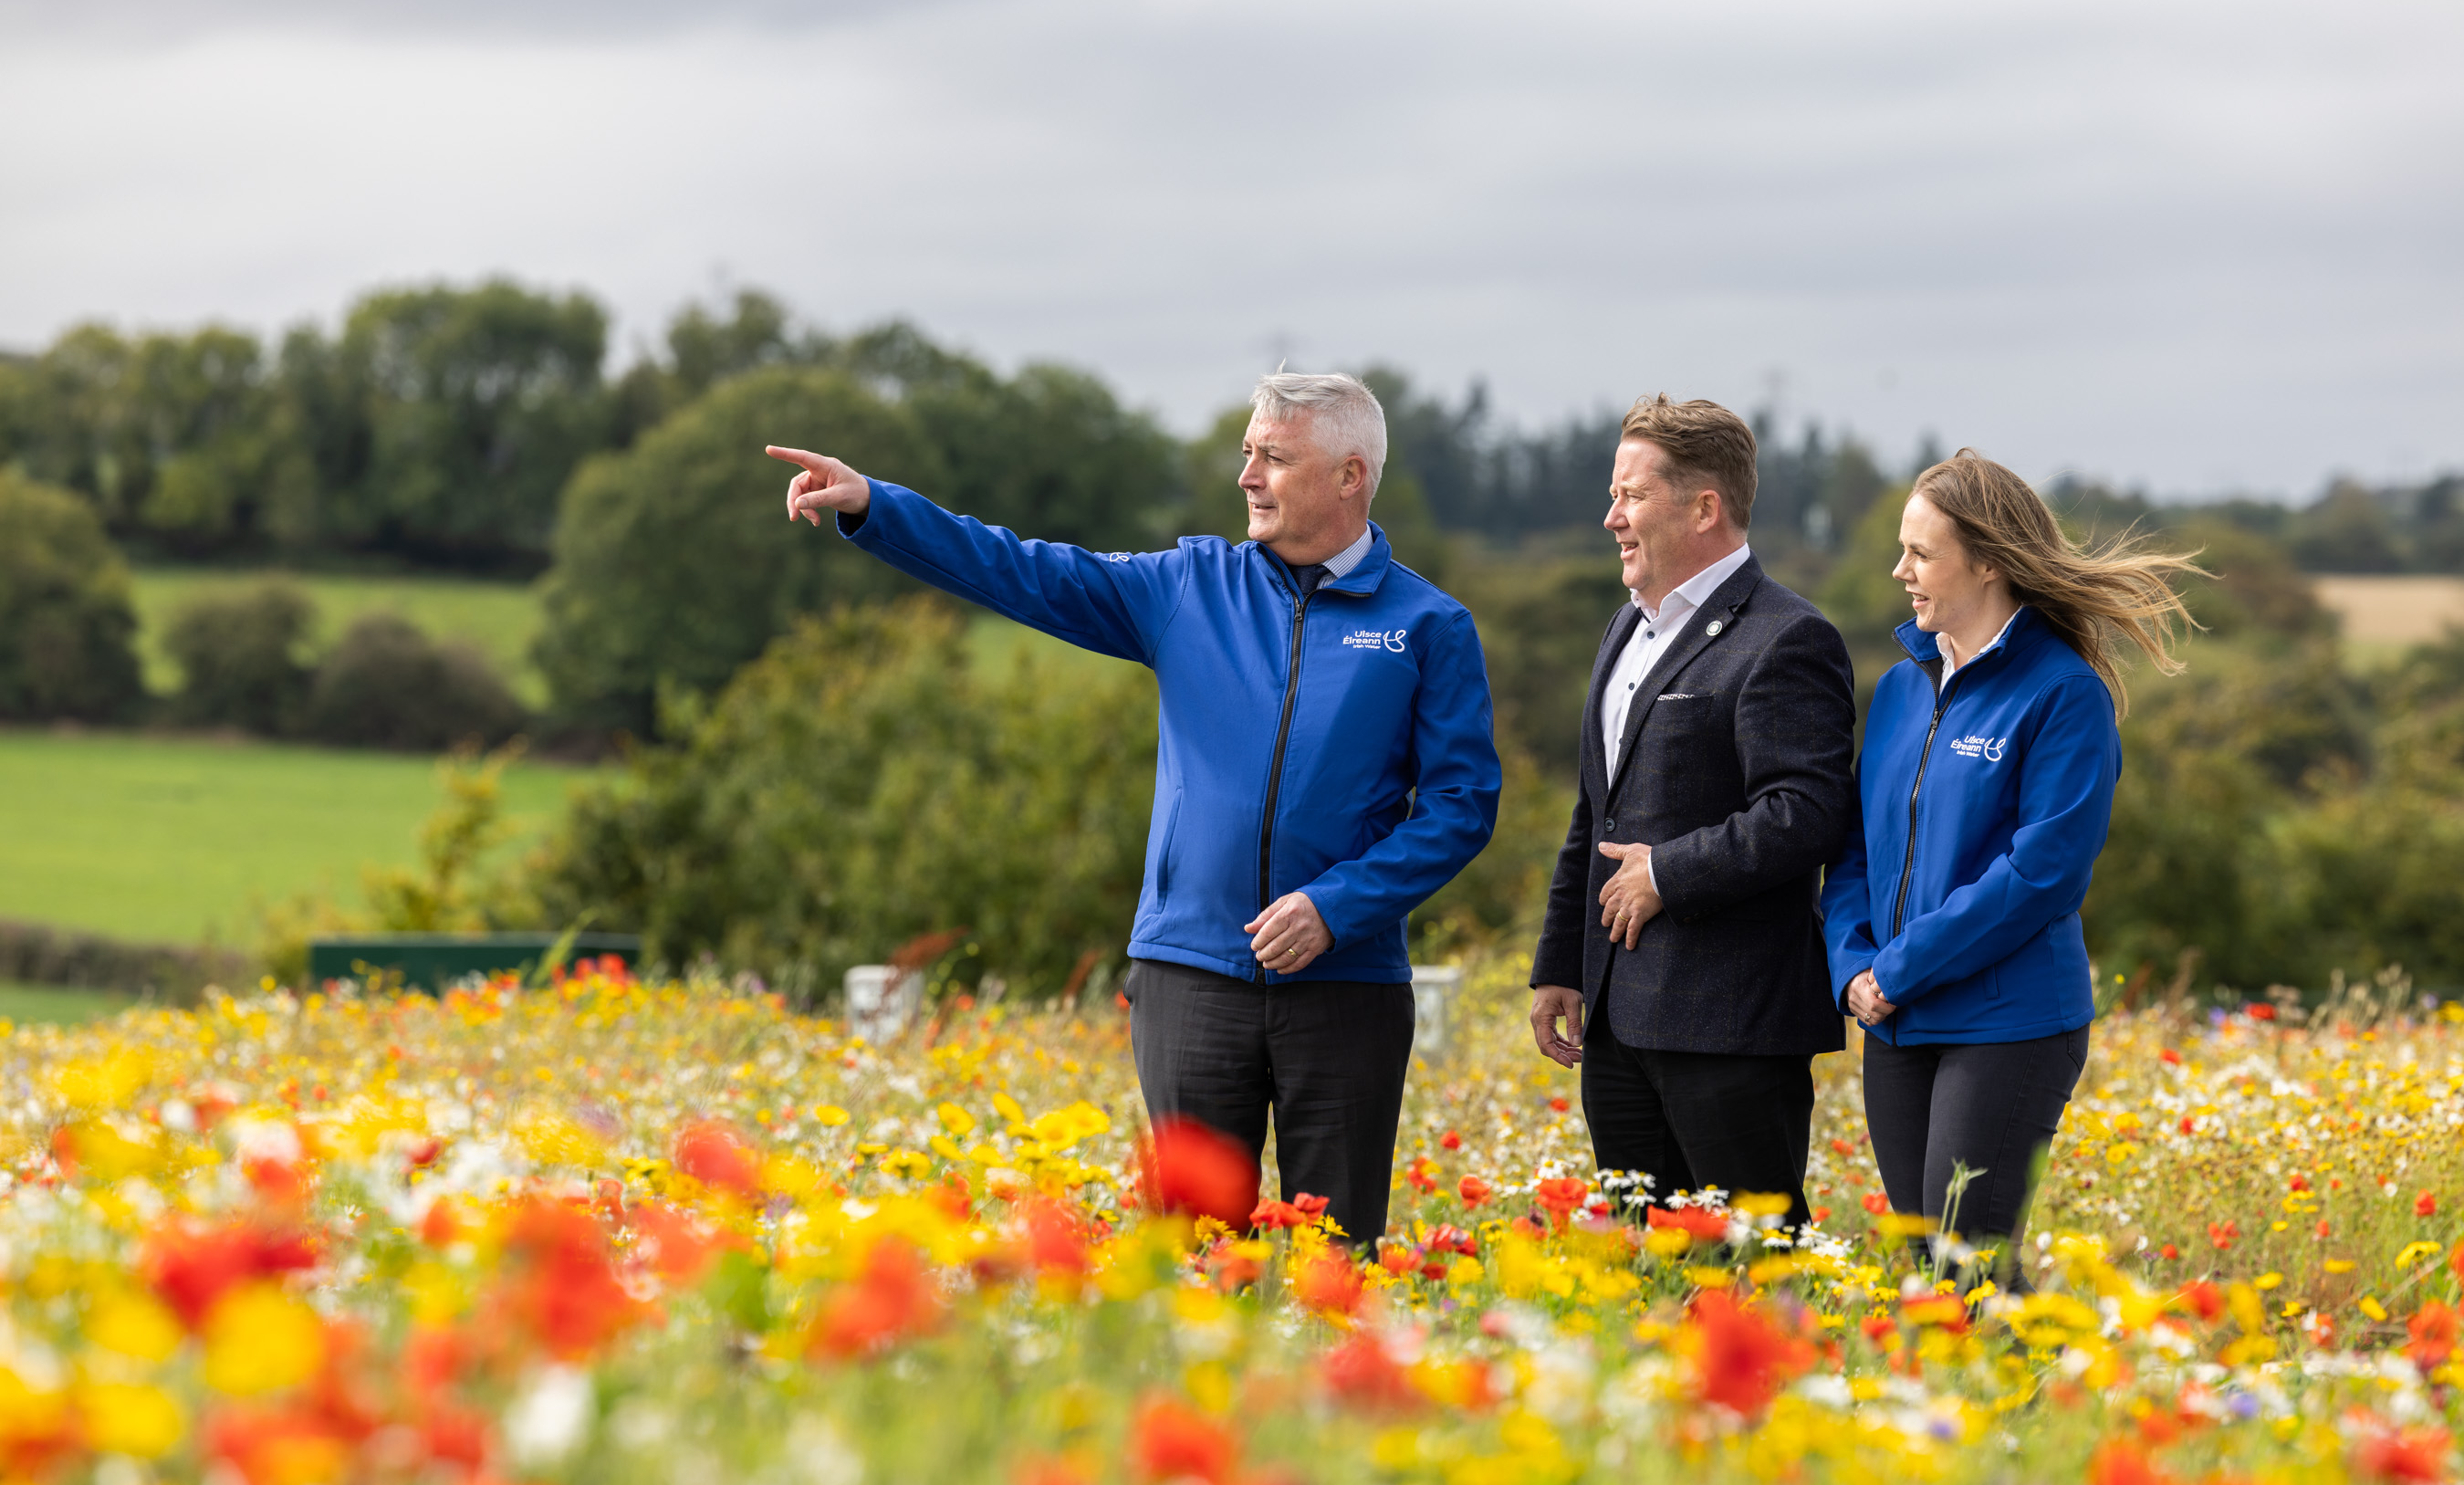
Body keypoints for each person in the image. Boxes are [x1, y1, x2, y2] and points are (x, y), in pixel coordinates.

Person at [768, 371, 1500, 1247]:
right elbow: (1023, 570)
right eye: (1247, 453)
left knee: (1337, 1263)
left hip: (1347, 989)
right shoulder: (1190, 584)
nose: (1247, 476)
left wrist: (1335, 908)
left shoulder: (1429, 624)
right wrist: (876, 507)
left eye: (1274, 457)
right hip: (1189, 978)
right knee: (1193, 1260)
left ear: (1351, 476)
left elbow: (1460, 807)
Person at [1822, 449, 2198, 1284]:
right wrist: (1851, 966)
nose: (1900, 571)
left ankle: (2059, 1370)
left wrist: (1898, 967)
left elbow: (2043, 873)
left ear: (1987, 560)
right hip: (1893, 1018)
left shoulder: (2064, 693)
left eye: (1920, 553)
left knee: (1968, 1265)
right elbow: (1853, 849)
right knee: (1929, 1269)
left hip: (2008, 1021)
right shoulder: (1900, 689)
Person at [1527, 395, 1858, 1225]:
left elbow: (1807, 811)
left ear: (1704, 508)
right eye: (1614, 495)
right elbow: (1595, 814)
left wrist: (1668, 874)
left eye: (1632, 496)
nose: (1612, 517)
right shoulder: (1623, 629)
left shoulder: (1788, 636)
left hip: (1729, 1026)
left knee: (1754, 1264)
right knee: (1643, 1269)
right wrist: (1560, 962)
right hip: (1616, 1021)